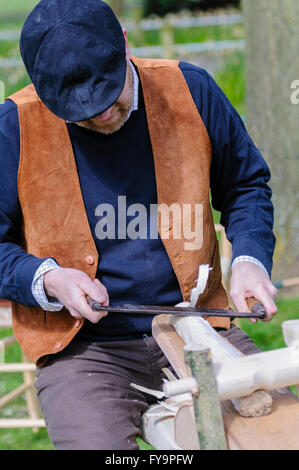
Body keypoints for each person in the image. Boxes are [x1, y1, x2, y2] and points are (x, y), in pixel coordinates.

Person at [0, 0, 277, 450]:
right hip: (86, 351)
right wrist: (48, 279)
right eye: (80, 109)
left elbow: (246, 185)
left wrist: (249, 259)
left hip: (201, 325)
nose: (102, 114)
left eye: (109, 93)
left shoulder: (191, 89)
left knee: (277, 435)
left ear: (124, 42)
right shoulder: (14, 128)